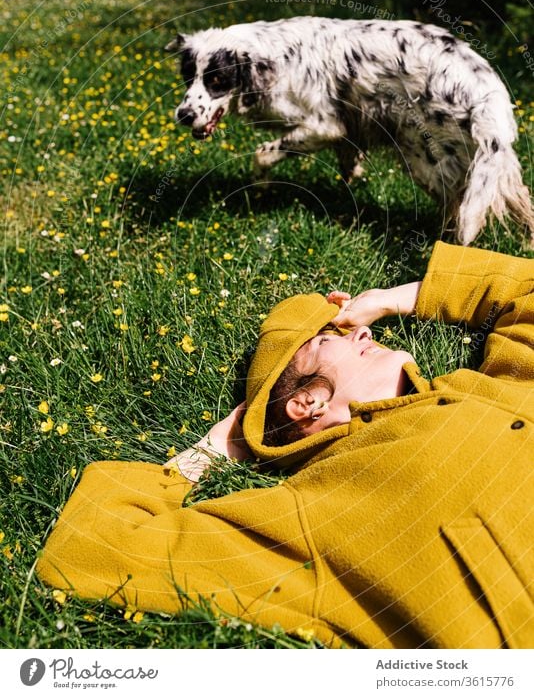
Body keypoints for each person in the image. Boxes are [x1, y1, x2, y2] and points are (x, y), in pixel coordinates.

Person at [36, 241, 534, 648]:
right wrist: (213, 449)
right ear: (308, 403)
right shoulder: (319, 510)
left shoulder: (489, 383)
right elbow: (93, 549)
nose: (360, 329)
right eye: (326, 340)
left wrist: (392, 298)